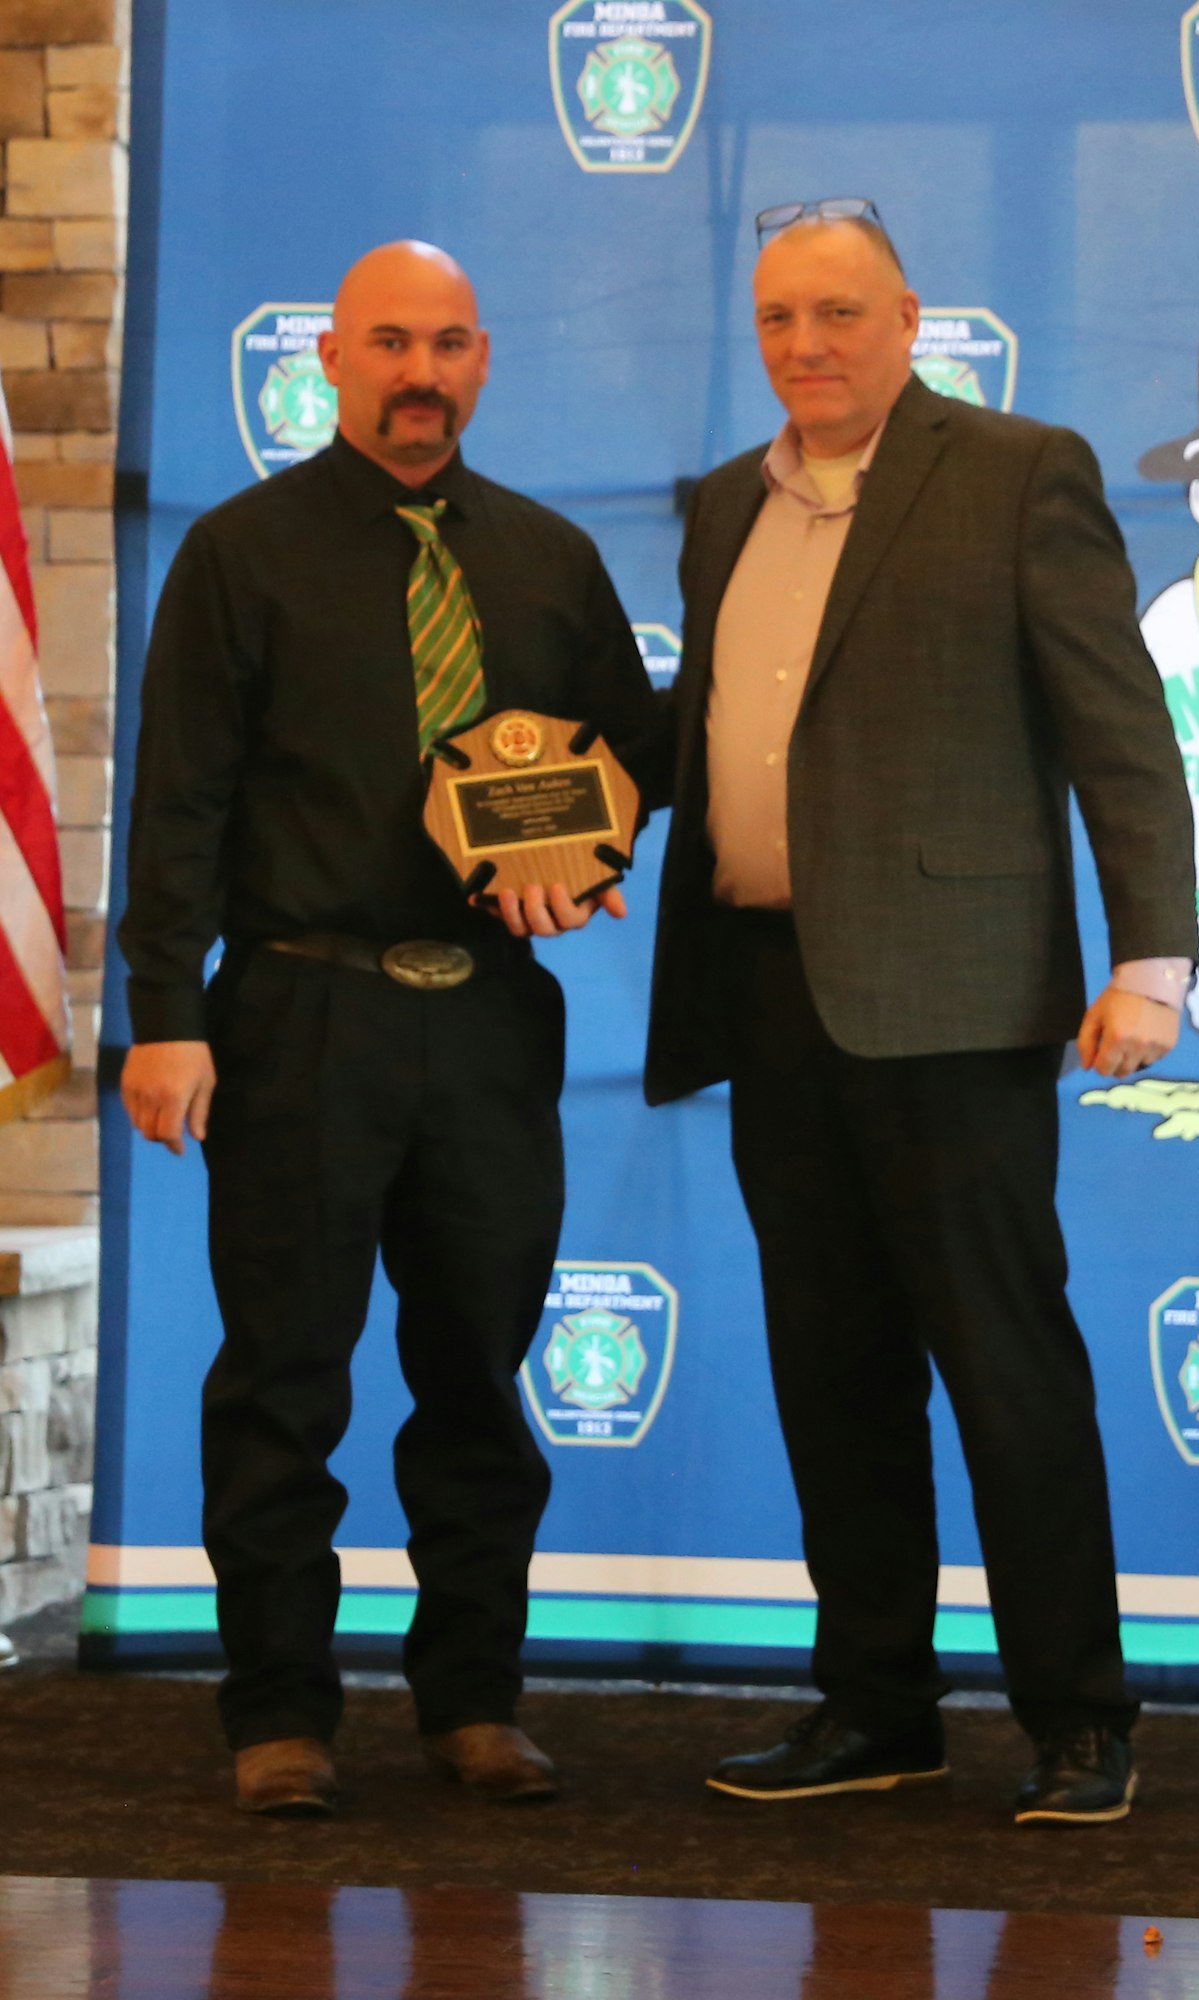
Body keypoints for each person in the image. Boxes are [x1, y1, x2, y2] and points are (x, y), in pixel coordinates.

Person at [644, 201, 1198, 1825]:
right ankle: (874, 1706)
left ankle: (1080, 1720)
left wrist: (1150, 957)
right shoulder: (717, 509)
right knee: (833, 1373)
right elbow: (716, 726)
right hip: (767, 996)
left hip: (953, 1008)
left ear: (907, 318)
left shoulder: (1022, 471)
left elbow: (1119, 726)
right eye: (774, 320)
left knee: (1007, 1367)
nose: (802, 347)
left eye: (833, 313)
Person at [119, 240, 662, 1817]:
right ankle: (278, 1717)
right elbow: (181, 805)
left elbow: (625, 760)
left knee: (481, 1382)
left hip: (491, 1022)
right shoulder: (239, 550)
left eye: (446, 345)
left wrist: (585, 856)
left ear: (482, 360)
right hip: (296, 1010)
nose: (418, 373)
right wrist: (166, 1015)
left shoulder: (554, 559)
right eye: (387, 344)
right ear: (332, 359)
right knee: (284, 1379)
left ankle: (471, 1706)